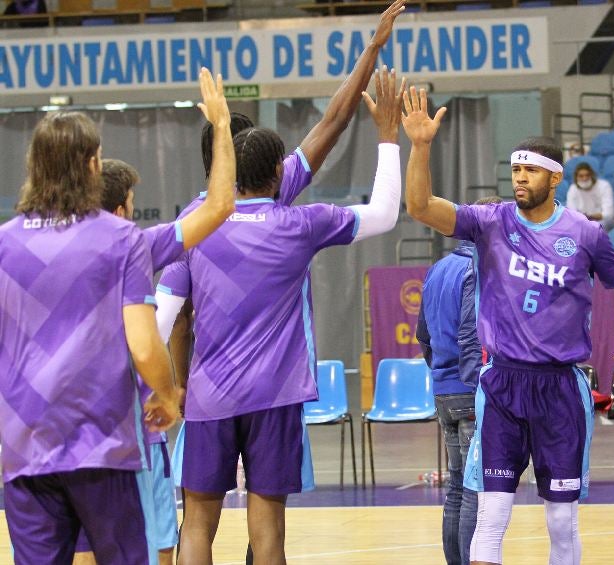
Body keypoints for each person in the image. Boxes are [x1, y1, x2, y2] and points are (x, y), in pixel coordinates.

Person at [155, 64, 405, 564]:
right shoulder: (298, 224)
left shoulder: (190, 226)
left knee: (198, 522)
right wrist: (387, 137)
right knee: (267, 526)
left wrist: (165, 387)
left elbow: (163, 320)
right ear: (277, 175)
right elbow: (384, 213)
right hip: (275, 397)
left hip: (209, 396)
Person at [402, 87, 614, 565]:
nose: (520, 178)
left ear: (554, 177)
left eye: (530, 170)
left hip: (559, 387)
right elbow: (419, 207)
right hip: (502, 383)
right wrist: (420, 146)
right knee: (492, 514)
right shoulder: (490, 221)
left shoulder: (584, 233)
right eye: (515, 169)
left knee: (560, 519)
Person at [70, 71, 237, 565]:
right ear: (123, 209)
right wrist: (222, 129)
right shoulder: (133, 247)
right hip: (132, 425)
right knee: (158, 539)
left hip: (68, 430)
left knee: (82, 544)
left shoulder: (44, 256)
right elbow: (219, 207)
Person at [0, 111, 182, 564]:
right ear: (93, 165)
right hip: (101, 444)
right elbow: (143, 344)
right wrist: (166, 394)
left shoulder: (4, 243)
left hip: (25, 446)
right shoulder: (120, 239)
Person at [416, 196, 501, 565]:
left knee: (455, 488)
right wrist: (477, 386)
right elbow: (470, 335)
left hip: (445, 390)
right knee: (473, 491)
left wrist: (441, 374)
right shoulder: (478, 268)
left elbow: (423, 335)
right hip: (470, 391)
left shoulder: (438, 268)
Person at [565, 163, 614, 231]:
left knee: (595, 227)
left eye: (587, 175)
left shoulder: (604, 186)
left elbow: (608, 214)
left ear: (592, 175)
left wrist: (589, 217)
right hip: (583, 222)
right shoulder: (573, 188)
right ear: (576, 177)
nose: (584, 178)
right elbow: (572, 213)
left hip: (607, 221)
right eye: (581, 176)